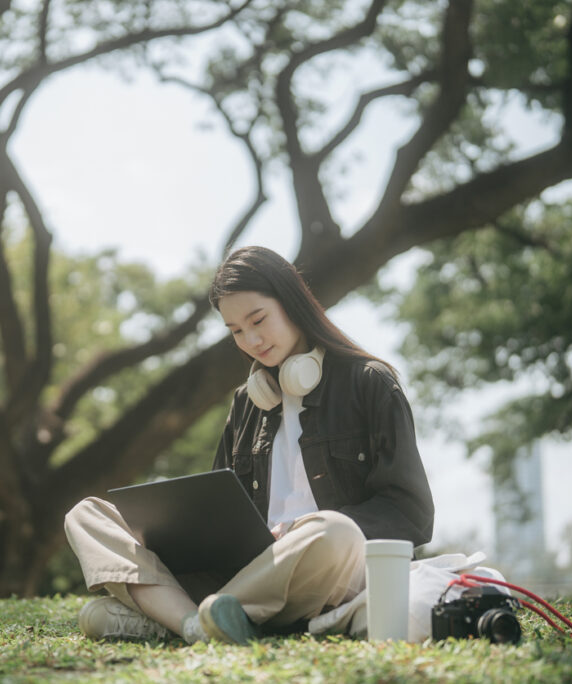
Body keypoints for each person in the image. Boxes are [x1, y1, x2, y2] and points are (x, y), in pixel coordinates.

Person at [64, 246, 434, 644]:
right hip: (249, 572)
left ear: (291, 302)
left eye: (258, 320)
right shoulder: (247, 402)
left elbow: (409, 512)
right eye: (236, 331)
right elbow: (218, 512)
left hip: (330, 564)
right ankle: (201, 622)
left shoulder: (370, 382)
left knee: (335, 530)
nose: (251, 340)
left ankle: (182, 619)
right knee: (85, 515)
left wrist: (298, 531)